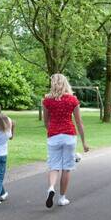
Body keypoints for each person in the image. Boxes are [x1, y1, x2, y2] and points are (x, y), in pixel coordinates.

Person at [42, 73, 89, 208]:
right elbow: (79, 122)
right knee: (66, 168)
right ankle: (62, 198)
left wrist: (52, 132)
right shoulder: (73, 100)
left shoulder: (47, 100)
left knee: (54, 166)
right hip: (69, 135)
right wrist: (84, 142)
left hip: (53, 135)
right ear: (65, 83)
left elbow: (46, 122)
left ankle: (51, 187)